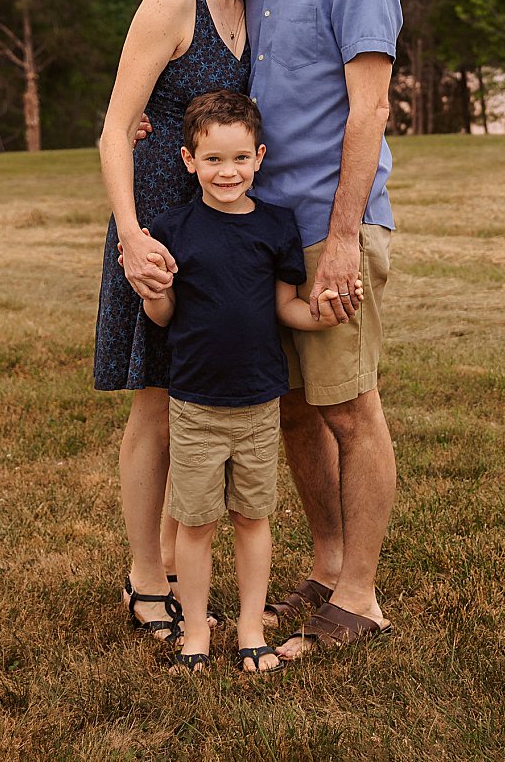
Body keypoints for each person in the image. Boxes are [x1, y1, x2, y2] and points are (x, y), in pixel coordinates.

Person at [129, 0, 403, 657]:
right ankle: (324, 565)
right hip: (259, 223)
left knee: (351, 409)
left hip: (330, 221)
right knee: (286, 407)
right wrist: (154, 118)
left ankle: (357, 595)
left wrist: (344, 242)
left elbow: (369, 110)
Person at [93, 0, 265, 644]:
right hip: (159, 224)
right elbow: (113, 127)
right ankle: (142, 577)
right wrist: (132, 237)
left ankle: (168, 560)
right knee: (155, 404)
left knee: (189, 398)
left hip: (215, 222)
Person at [140, 89, 339, 675]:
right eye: (212, 160)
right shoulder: (172, 228)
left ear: (259, 157)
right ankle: (196, 632)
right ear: (188, 161)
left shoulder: (277, 226)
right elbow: (165, 316)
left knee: (253, 519)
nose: (226, 172)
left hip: (258, 404)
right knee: (196, 524)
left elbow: (285, 309)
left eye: (238, 159)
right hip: (196, 403)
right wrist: (156, 291)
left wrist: (320, 313)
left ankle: (251, 626)